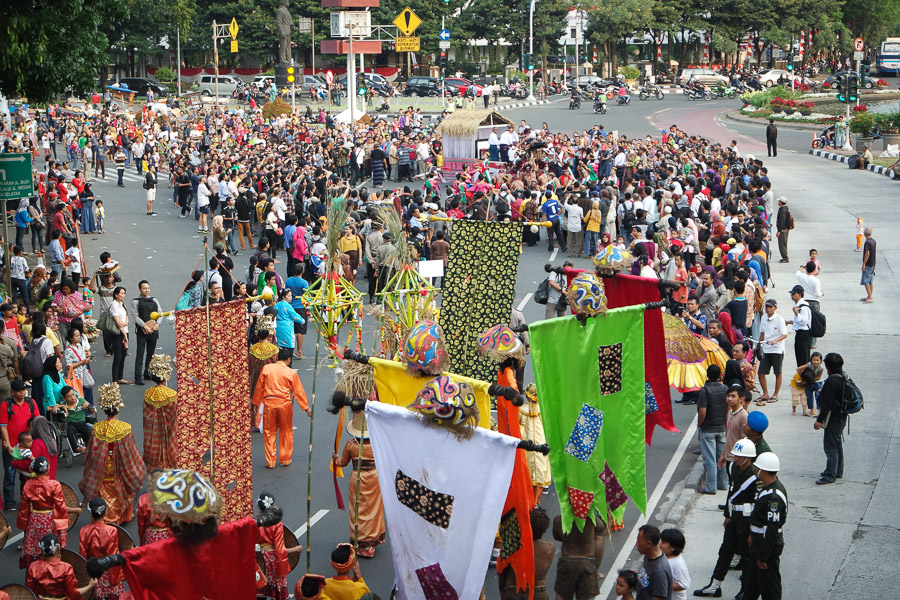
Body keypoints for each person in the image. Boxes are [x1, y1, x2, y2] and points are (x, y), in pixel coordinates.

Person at [693, 438, 760, 599]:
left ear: (748, 458)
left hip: (746, 518)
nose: (736, 458)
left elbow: (758, 503)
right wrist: (727, 515)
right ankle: (714, 585)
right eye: (736, 455)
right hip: (735, 516)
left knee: (746, 555)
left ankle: (746, 589)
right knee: (725, 550)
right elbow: (731, 493)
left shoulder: (754, 476)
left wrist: (753, 527)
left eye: (739, 456)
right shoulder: (734, 468)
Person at [78, 382, 146, 524]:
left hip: (101, 467)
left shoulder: (97, 428)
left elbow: (91, 450)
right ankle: (123, 516)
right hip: (119, 465)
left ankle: (104, 515)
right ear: (118, 409)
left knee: (103, 490)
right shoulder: (125, 428)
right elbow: (130, 451)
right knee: (120, 488)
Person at [332, 411, 385, 558]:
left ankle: (362, 544)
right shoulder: (377, 442)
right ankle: (372, 541)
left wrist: (335, 458)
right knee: (373, 509)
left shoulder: (351, 445)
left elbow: (342, 463)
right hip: (374, 479)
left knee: (358, 510)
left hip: (358, 478)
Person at [17, 456, 82, 568]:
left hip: (35, 518)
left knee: (35, 546)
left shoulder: (28, 485)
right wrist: (63, 524)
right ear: (47, 469)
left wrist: (24, 524)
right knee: (51, 544)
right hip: (49, 518)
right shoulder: (54, 484)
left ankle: (35, 570)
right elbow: (60, 507)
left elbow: (24, 508)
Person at [252, 347, 312, 468]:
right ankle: (285, 459)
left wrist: (256, 404)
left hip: (269, 404)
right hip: (284, 404)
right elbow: (298, 392)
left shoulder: (267, 368)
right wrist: (306, 408)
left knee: (269, 432)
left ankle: (270, 461)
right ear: (288, 360)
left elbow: (259, 388)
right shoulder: (291, 372)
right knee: (286, 431)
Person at [743, 452, 787, 600]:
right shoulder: (767, 488)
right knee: (751, 585)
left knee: (769, 588)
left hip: (766, 546)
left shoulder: (773, 497)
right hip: (758, 543)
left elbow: (771, 529)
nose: (755, 471)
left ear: (764, 471)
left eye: (757, 468)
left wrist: (763, 556)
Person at [0, 379, 40, 509]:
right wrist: (7, 444)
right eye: (18, 391)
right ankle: (9, 502)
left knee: (26, 475)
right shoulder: (6, 406)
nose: (22, 393)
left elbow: (37, 421)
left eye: (23, 390)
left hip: (27, 447)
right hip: (12, 448)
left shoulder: (31, 402)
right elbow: (3, 427)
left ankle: (25, 498)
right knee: (9, 475)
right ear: (12, 392)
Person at [256, 492, 302, 600]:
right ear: (272, 506)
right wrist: (295, 549)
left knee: (260, 589)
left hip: (259, 560)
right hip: (272, 562)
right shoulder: (277, 524)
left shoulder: (255, 522)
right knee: (276, 592)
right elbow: (280, 551)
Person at [26, 533, 97, 599]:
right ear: (58, 548)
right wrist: (90, 586)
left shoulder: (33, 566)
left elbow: (30, 591)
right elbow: (73, 593)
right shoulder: (66, 568)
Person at [79, 498, 125, 599]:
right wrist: (115, 579)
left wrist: (86, 576)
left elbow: (82, 556)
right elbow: (113, 555)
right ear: (106, 511)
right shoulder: (112, 530)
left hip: (94, 572)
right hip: (108, 572)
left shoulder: (84, 530)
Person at [813, 353, 846, 485]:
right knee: (837, 443)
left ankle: (830, 475)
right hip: (841, 416)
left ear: (828, 367)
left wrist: (819, 421)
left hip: (834, 417)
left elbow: (827, 404)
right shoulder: (843, 376)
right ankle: (838, 470)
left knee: (830, 446)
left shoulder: (832, 380)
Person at [142, 355, 177, 473]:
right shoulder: (172, 395)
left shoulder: (148, 394)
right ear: (166, 377)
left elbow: (147, 418)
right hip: (170, 435)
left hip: (154, 435)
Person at [552, 515, 598, 600]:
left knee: (562, 594)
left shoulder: (559, 519)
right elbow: (601, 529)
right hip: (587, 562)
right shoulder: (591, 519)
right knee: (584, 597)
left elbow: (556, 536)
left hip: (567, 560)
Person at [698, 364, 728, 495]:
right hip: (721, 427)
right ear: (720, 375)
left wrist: (700, 425)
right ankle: (723, 483)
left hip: (708, 428)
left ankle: (711, 487)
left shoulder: (704, 391)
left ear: (707, 375)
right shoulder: (725, 389)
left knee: (709, 459)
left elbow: (702, 412)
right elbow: (728, 408)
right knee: (721, 457)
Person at [130, 280, 161, 386]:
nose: (147, 290)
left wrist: (157, 324)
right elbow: (135, 316)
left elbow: (160, 313)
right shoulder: (135, 301)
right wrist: (144, 326)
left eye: (148, 288)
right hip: (142, 331)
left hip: (153, 330)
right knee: (140, 353)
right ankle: (138, 376)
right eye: (144, 288)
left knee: (151, 353)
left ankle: (147, 372)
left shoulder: (154, 300)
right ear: (140, 289)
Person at [757, 299, 787, 405]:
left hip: (777, 349)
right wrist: (759, 345)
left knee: (777, 372)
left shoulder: (779, 319)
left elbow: (784, 334)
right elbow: (762, 333)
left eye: (770, 307)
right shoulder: (764, 318)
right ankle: (765, 393)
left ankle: (775, 394)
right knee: (761, 372)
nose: (768, 309)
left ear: (775, 308)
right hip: (766, 349)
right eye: (767, 307)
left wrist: (775, 341)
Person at [634, 524, 673, 600]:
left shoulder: (659, 571)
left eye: (639, 541)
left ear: (648, 544)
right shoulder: (648, 556)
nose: (636, 544)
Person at [60, 385, 94, 454]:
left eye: (73, 394)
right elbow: (49, 408)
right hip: (70, 424)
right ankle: (76, 448)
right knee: (69, 430)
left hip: (81, 422)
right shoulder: (63, 405)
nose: (73, 397)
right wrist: (62, 406)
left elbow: (92, 411)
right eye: (69, 396)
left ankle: (88, 448)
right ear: (64, 398)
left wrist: (88, 405)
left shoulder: (81, 401)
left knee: (87, 430)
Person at [108, 286, 131, 384]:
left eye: (124, 293)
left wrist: (125, 324)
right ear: (116, 295)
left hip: (125, 331)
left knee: (123, 355)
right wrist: (124, 334)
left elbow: (126, 318)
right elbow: (118, 323)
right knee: (117, 356)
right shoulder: (114, 305)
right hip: (118, 333)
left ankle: (120, 377)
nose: (123, 295)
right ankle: (114, 379)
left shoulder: (122, 304)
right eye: (121, 293)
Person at [660, 528, 690, 600]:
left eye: (663, 543)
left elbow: (683, 585)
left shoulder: (678, 564)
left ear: (672, 548)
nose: (660, 544)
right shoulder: (662, 557)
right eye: (660, 541)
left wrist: (661, 586)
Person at [786, 285, 812, 368]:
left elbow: (804, 321)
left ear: (800, 294)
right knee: (800, 357)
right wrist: (790, 322)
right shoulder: (799, 305)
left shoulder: (803, 307)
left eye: (794, 294)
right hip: (801, 334)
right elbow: (799, 321)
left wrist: (796, 313)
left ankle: (805, 378)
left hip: (804, 334)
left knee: (803, 359)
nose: (792, 296)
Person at [860, 226, 875, 303]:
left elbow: (867, 254)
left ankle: (870, 297)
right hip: (873, 264)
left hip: (868, 264)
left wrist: (864, 264)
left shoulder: (867, 242)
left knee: (866, 281)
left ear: (865, 233)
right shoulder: (873, 241)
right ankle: (870, 296)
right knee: (870, 281)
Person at [775, 198, 791, 263]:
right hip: (785, 229)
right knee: (783, 243)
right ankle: (784, 257)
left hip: (783, 230)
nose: (778, 202)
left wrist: (779, 230)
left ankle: (785, 257)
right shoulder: (785, 208)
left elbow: (781, 221)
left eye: (779, 201)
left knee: (782, 244)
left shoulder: (782, 210)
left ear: (781, 202)